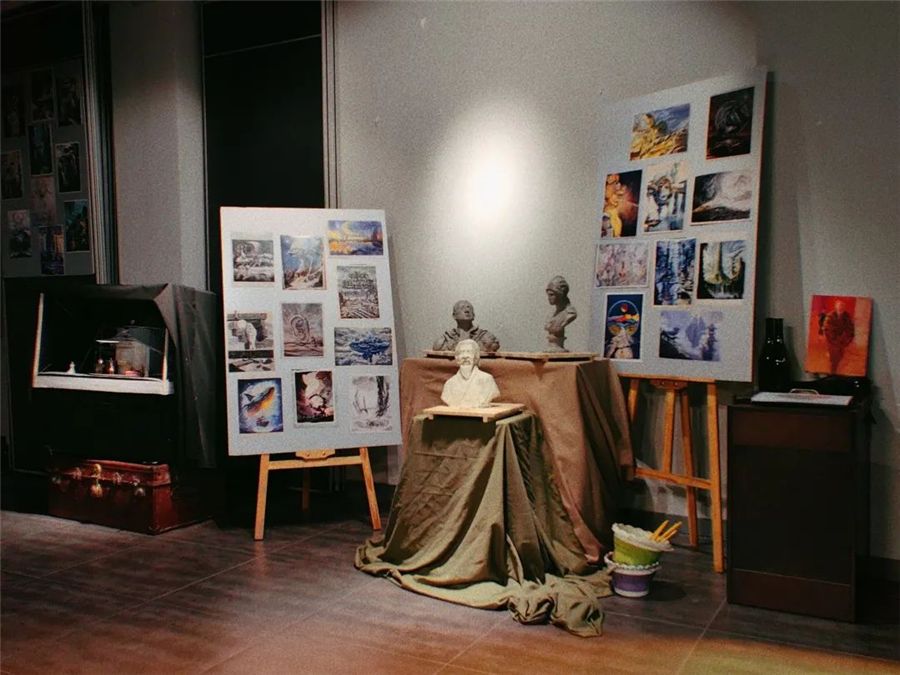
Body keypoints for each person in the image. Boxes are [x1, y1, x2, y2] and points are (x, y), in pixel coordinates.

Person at [440, 339, 500, 408]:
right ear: (457, 358)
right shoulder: (449, 384)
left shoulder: (487, 380)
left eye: (469, 352)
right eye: (462, 352)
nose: (465, 356)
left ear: (475, 357)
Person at [433, 300, 500, 353]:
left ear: (473, 315)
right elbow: (436, 349)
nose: (467, 311)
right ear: (454, 315)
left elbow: (494, 346)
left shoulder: (485, 336)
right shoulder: (446, 339)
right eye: (462, 308)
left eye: (469, 309)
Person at [544, 275, 577, 352]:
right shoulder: (551, 314)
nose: (549, 298)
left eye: (551, 294)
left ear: (560, 294)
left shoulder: (570, 313)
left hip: (558, 346)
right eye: (548, 295)